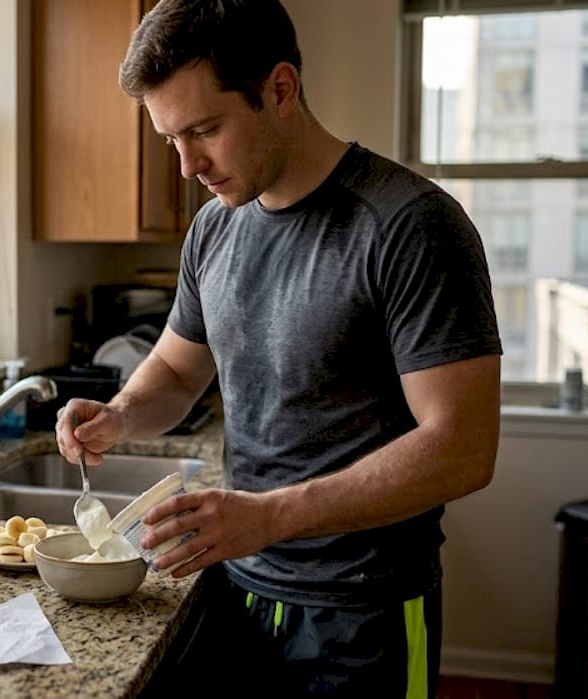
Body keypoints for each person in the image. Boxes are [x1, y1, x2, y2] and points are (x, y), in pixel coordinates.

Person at [54, 1, 502, 696]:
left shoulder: (411, 226)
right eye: (171, 138)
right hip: (238, 593)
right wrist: (119, 413)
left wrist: (269, 515)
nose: (186, 166)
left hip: (365, 615)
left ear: (280, 90)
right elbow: (177, 368)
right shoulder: (214, 230)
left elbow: (464, 446)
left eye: (204, 129)